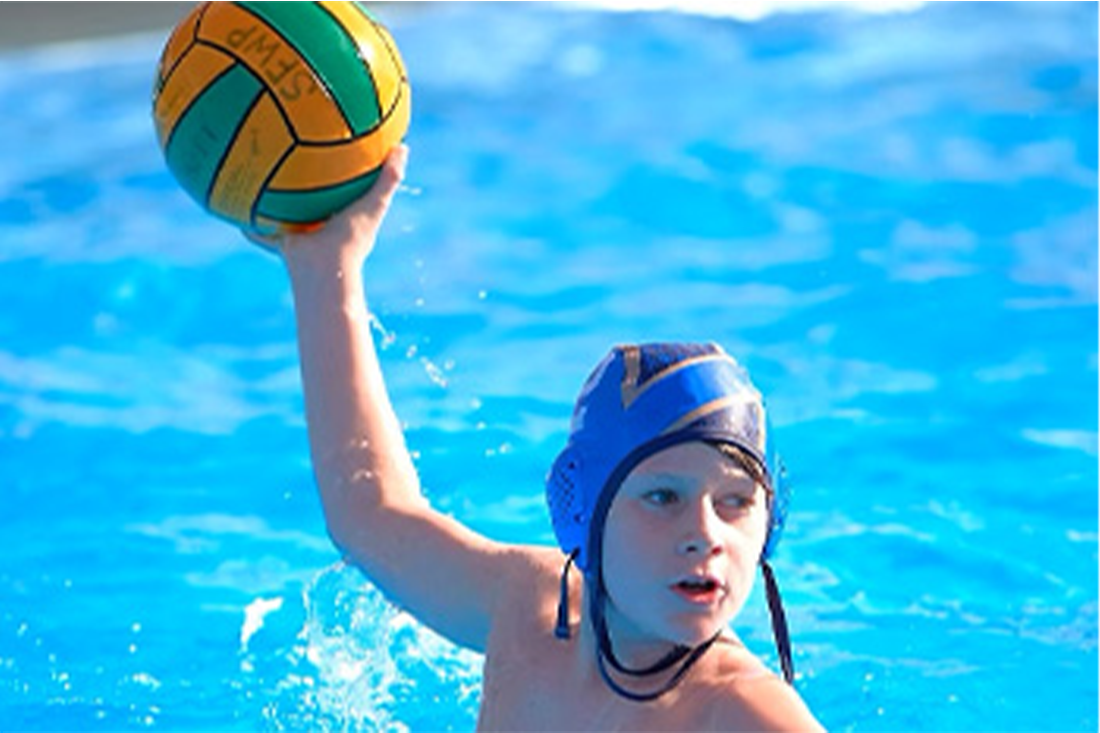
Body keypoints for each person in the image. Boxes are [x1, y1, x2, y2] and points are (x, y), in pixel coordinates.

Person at [254, 145, 823, 732]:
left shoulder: (741, 714)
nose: (705, 534)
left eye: (736, 501)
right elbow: (371, 517)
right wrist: (325, 268)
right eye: (663, 497)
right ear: (580, 511)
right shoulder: (525, 610)